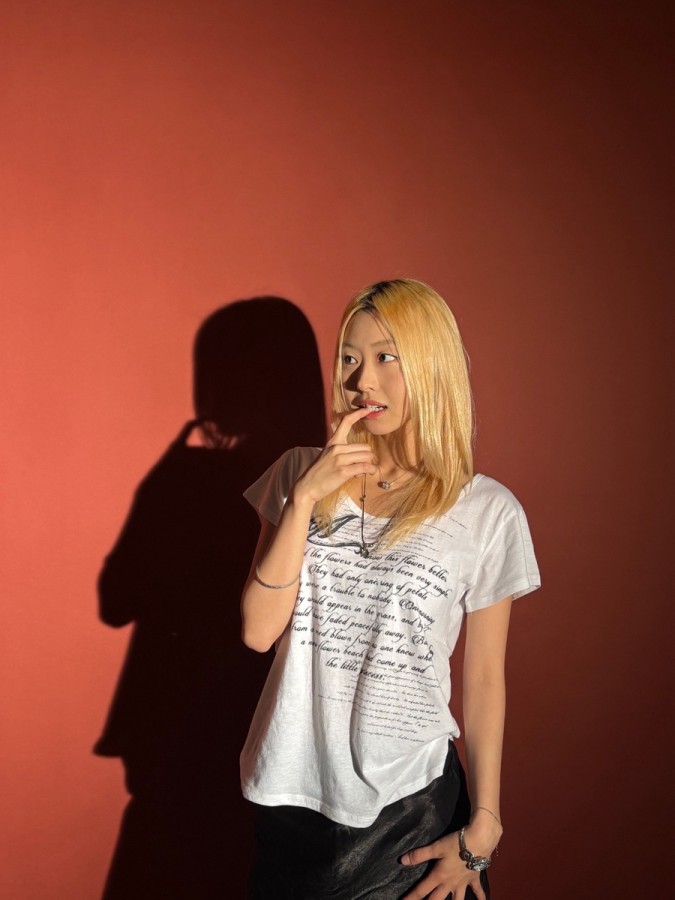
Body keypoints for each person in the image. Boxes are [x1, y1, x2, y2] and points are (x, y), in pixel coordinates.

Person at [240, 279, 540, 899]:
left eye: (385, 357)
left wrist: (485, 823)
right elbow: (258, 631)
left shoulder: (486, 511)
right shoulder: (299, 473)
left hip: (411, 811)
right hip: (290, 796)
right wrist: (305, 499)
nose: (362, 381)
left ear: (431, 366)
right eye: (350, 358)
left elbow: (485, 679)